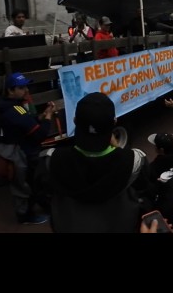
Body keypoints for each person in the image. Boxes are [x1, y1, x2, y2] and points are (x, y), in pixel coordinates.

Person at [36, 92, 151, 233]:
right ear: (114, 122)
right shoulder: (135, 161)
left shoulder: (51, 160)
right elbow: (147, 196)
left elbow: (42, 195)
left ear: (74, 120)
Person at [0, 72, 55, 225]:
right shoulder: (14, 111)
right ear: (10, 91)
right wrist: (48, 116)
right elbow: (40, 134)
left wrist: (39, 117)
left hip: (13, 149)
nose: (26, 90)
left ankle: (37, 207)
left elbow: (26, 121)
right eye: (21, 87)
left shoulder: (3, 104)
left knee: (29, 183)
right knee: (26, 186)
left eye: (26, 86)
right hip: (22, 153)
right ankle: (26, 216)